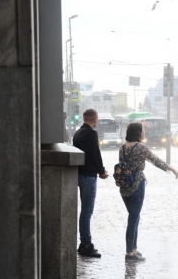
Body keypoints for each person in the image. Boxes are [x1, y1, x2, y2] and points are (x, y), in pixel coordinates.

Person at [119, 122, 178, 261]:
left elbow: (123, 167)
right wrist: (172, 169)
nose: (144, 132)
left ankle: (133, 249)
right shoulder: (141, 148)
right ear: (138, 132)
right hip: (137, 184)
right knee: (133, 219)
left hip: (123, 186)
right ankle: (129, 253)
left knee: (134, 217)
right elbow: (156, 161)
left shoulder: (122, 148)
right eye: (143, 130)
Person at [73, 109, 109, 258]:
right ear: (95, 119)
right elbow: (95, 153)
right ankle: (87, 245)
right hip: (89, 176)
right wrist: (101, 171)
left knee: (84, 213)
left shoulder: (77, 133)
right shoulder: (92, 134)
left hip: (78, 175)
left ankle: (83, 244)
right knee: (87, 212)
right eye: (98, 119)